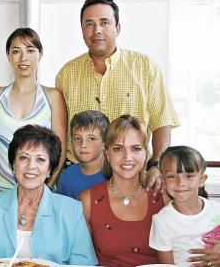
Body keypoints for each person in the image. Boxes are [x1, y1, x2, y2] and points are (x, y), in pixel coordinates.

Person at [55, 0, 179, 192]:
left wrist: (156, 166)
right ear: (82, 31)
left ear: (118, 28)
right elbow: (59, 133)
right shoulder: (67, 74)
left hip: (133, 175)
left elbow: (161, 122)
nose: (97, 30)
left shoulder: (145, 68)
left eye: (104, 22)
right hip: (78, 179)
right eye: (89, 24)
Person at [0, 125, 97, 266]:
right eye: (24, 157)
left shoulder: (71, 211)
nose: (31, 166)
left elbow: (84, 264)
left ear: (50, 169)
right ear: (13, 165)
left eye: (40, 159)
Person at [0, 28, 67, 207]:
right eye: (16, 51)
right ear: (8, 56)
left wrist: (47, 187)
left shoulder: (53, 97)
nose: (23, 58)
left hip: (40, 191)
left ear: (40, 54)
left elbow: (60, 149)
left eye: (30, 50)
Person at [79, 114, 165, 267]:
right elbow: (82, 259)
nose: (128, 157)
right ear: (107, 153)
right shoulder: (87, 200)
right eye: (118, 149)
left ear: (146, 152)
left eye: (136, 149)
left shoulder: (163, 196)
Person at [149, 146, 220, 266]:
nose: (181, 183)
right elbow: (166, 266)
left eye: (189, 176)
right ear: (163, 181)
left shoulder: (217, 209)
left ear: (202, 179)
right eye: (172, 176)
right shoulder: (162, 221)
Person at [56, 110, 109, 199]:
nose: (83, 145)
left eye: (91, 139)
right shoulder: (67, 176)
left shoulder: (115, 175)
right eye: (77, 138)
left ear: (105, 142)